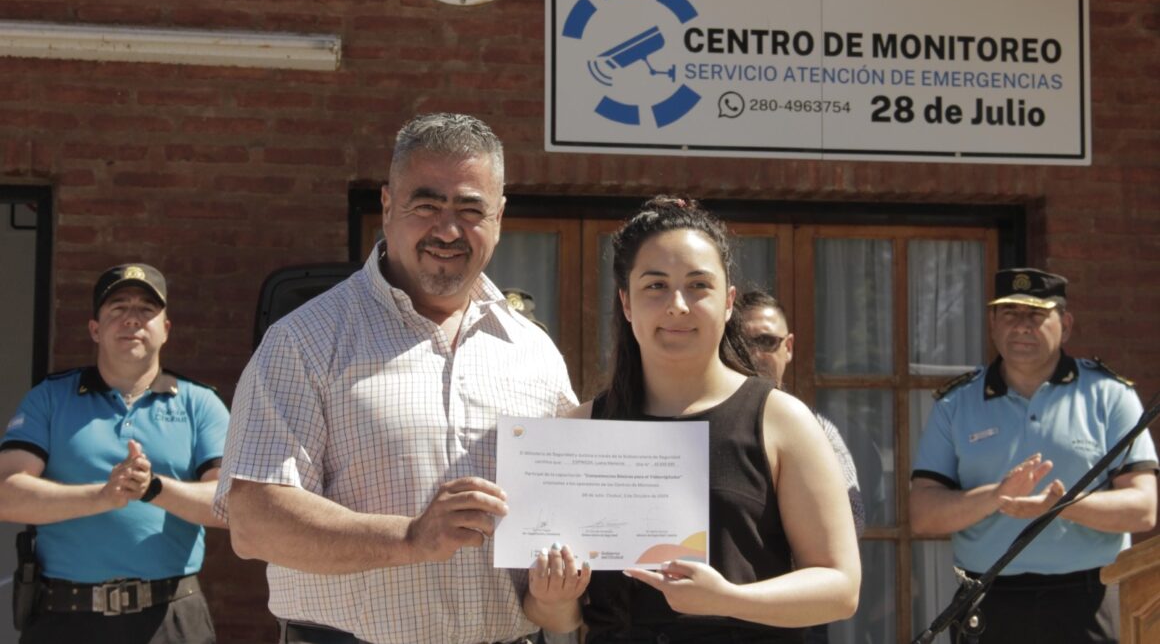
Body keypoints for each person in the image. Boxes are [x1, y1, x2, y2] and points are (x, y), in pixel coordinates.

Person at [215, 113, 578, 644]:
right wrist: (409, 537)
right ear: (387, 207)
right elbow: (254, 521)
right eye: (426, 205)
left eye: (470, 209)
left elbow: (568, 509)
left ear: (499, 217)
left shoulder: (535, 353)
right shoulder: (305, 342)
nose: (448, 230)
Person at [524, 197, 860, 643]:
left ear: (728, 302)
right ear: (626, 302)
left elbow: (840, 589)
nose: (677, 305)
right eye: (655, 286)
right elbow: (564, 621)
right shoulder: (579, 430)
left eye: (698, 285)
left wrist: (727, 599)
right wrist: (553, 596)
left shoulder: (781, 420)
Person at [910, 267, 1158, 643]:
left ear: (1067, 324)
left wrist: (1061, 507)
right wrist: (995, 497)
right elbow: (923, 516)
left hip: (1089, 598)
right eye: (1010, 314)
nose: (1022, 326)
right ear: (992, 323)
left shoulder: (1110, 396)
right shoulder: (955, 404)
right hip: (989, 600)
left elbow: (1144, 508)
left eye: (1037, 315)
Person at [0, 262, 229, 644]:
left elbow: (233, 504)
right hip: (66, 616)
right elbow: (5, 493)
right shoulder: (50, 398)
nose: (132, 320)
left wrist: (153, 489)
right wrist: (103, 496)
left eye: (146, 310)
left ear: (166, 329)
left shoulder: (199, 403)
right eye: (118, 308)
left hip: (170, 617)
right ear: (95, 329)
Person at [734, 290, 866, 537]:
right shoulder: (705, 420)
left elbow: (851, 519)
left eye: (766, 341)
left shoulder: (818, 427)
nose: (754, 354)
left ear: (789, 347)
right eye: (743, 343)